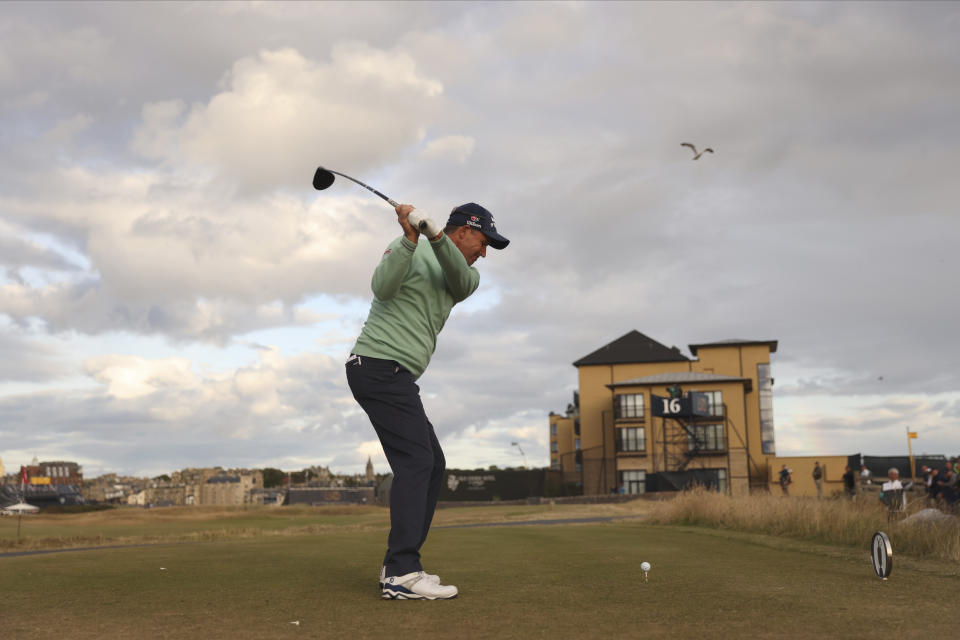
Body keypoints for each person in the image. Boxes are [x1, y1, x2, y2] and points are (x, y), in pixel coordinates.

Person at [346, 201, 509, 600]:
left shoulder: (465, 277)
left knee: (432, 463)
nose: (484, 253)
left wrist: (436, 236)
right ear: (465, 231)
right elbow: (381, 288)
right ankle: (402, 572)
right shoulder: (408, 247)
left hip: (397, 375)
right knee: (418, 461)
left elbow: (456, 272)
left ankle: (400, 565)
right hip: (377, 364)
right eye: (484, 242)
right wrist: (409, 237)